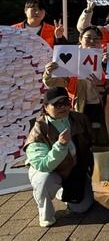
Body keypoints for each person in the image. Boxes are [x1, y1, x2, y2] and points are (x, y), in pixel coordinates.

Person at [24, 87, 94, 227]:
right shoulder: (38, 129)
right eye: (57, 104)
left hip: (73, 171)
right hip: (49, 172)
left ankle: (62, 192)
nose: (63, 107)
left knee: (81, 208)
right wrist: (60, 146)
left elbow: (92, 143)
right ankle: (46, 216)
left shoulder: (80, 119)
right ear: (45, 107)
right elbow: (43, 165)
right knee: (44, 181)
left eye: (65, 102)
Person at [43, 26, 109, 147]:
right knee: (80, 143)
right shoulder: (71, 56)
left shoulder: (107, 58)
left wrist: (102, 82)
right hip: (78, 107)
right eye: (88, 38)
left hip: (101, 108)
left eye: (96, 39)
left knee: (100, 143)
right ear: (80, 39)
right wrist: (48, 72)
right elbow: (52, 82)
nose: (92, 41)